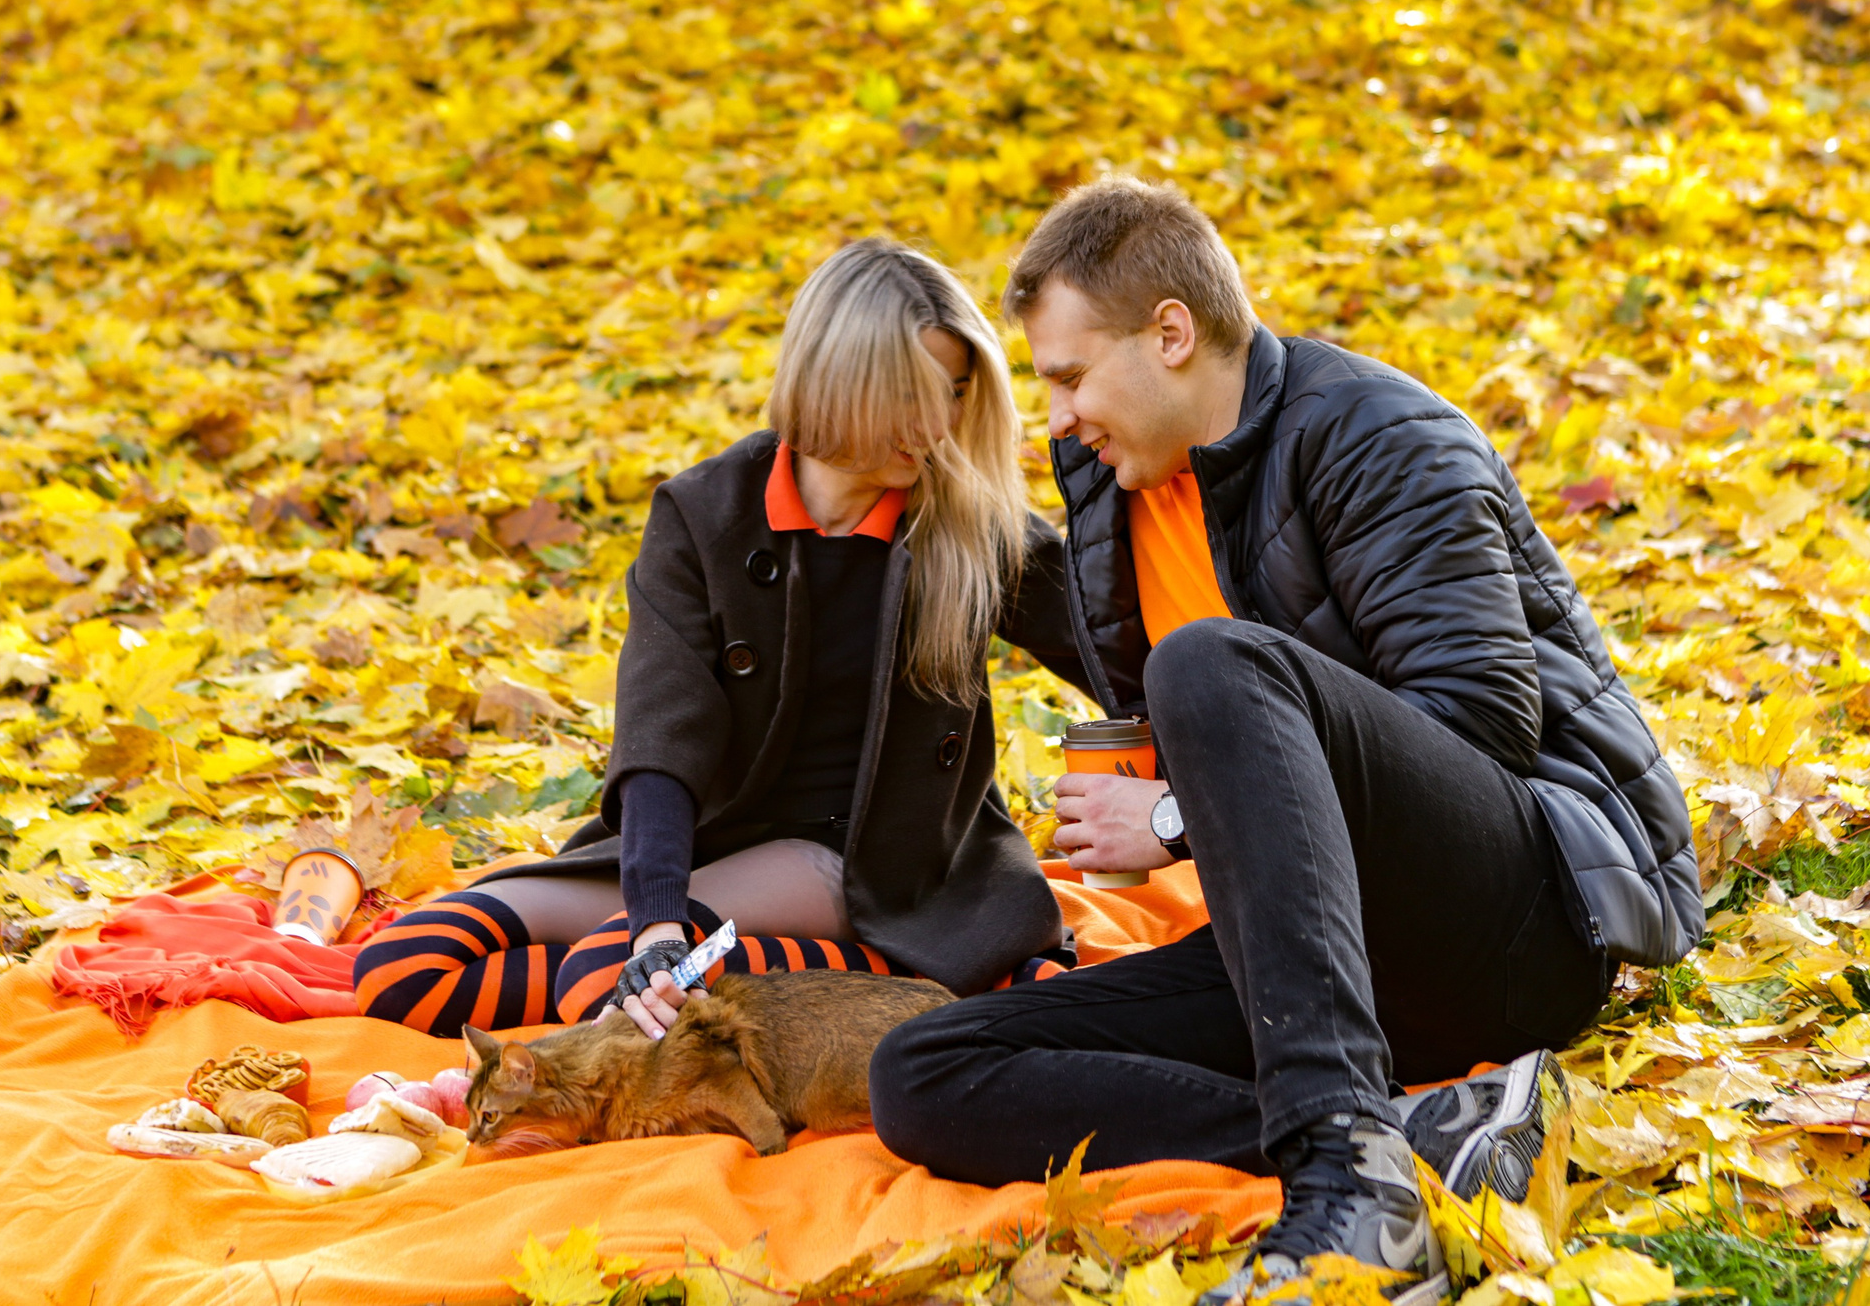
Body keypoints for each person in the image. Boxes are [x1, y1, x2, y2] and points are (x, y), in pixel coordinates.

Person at [867, 181, 1701, 1304]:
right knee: (925, 1072)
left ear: (1170, 333)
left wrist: (1170, 821)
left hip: (1520, 918)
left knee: (1211, 661)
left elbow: (1479, 722)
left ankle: (1351, 1193)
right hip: (1317, 958)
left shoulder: (1378, 436)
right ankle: (1411, 1139)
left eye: (1068, 375)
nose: (1056, 415)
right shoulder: (1122, 480)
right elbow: (1128, 654)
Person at [353, 237, 1094, 1039]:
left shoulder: (969, 524)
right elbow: (661, 742)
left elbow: (1115, 651)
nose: (937, 423)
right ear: (835, 379)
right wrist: (658, 919)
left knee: (607, 977)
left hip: (870, 865)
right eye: (910, 394)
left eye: (953, 392)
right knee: (407, 967)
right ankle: (900, 982)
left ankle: (923, 973)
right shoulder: (704, 514)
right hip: (718, 846)